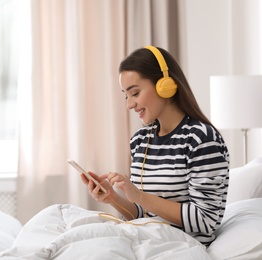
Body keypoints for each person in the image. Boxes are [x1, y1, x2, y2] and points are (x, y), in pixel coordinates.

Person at [81, 46, 229, 246]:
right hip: (145, 240)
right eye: (126, 95)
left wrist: (139, 195)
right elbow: (143, 214)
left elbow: (205, 220)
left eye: (135, 93)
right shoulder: (140, 140)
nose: (129, 105)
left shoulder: (201, 139)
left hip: (179, 247)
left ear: (165, 85)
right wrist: (112, 198)